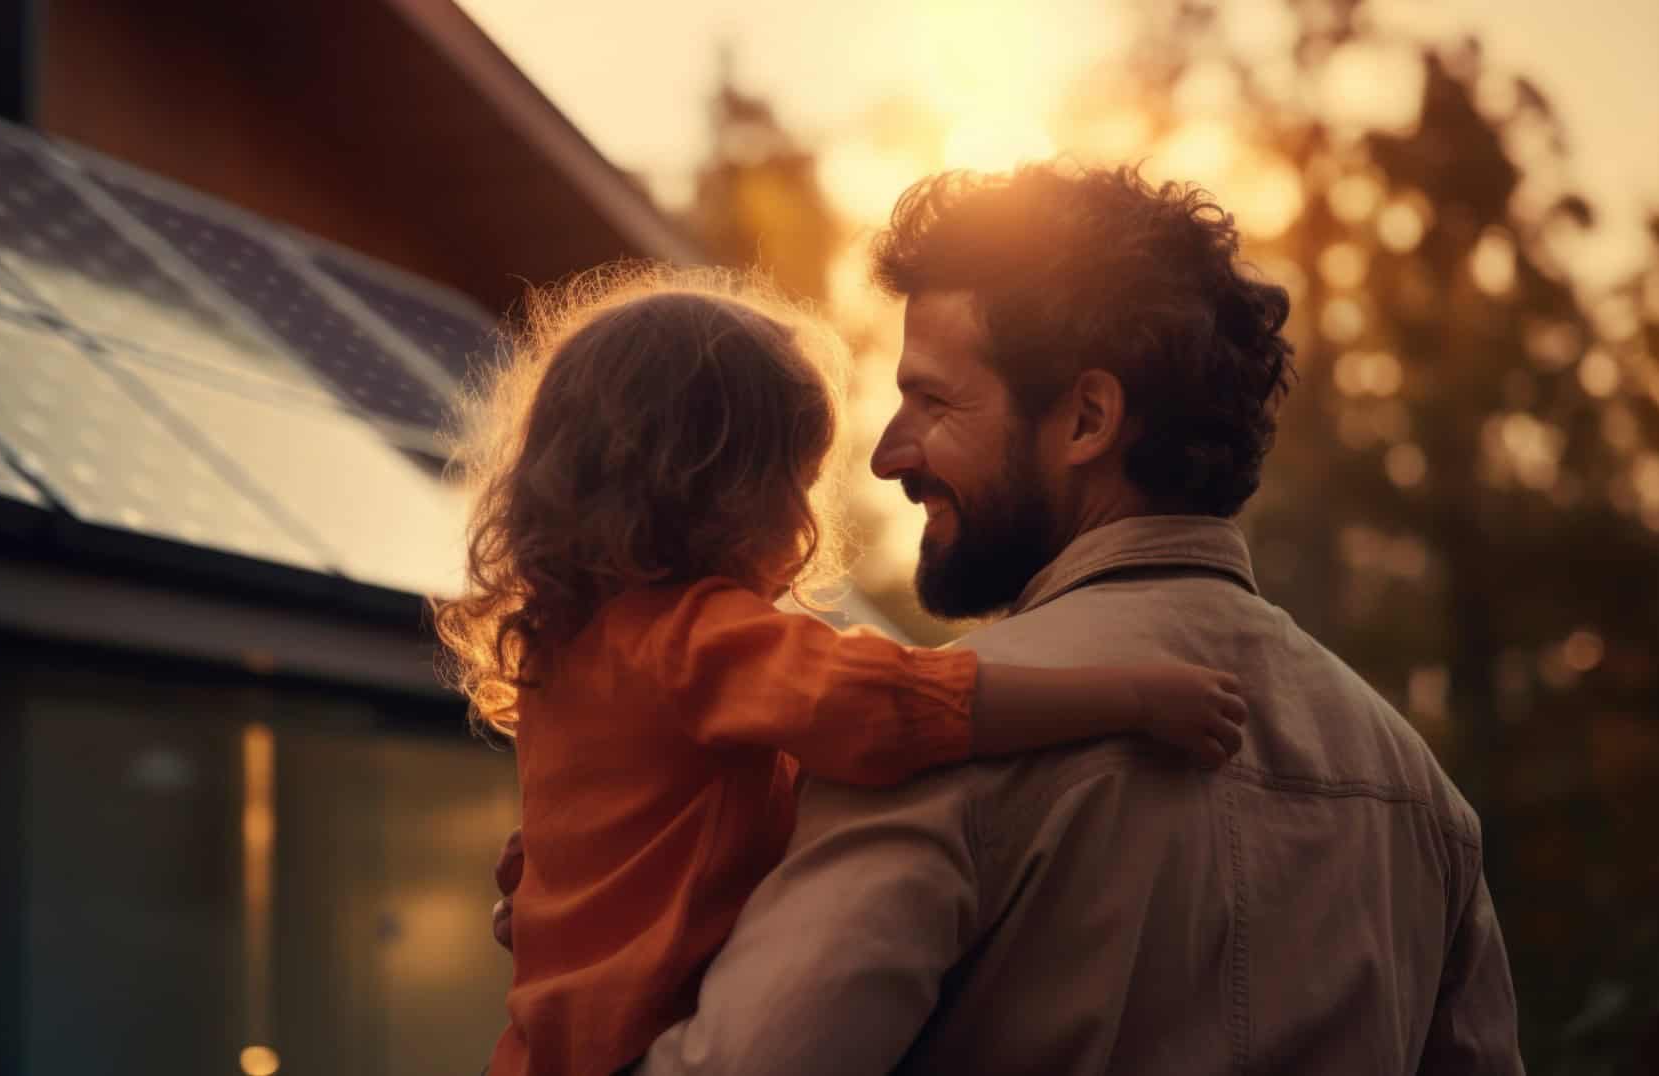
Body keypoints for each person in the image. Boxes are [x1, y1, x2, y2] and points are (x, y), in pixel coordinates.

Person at [500, 164, 1524, 1074]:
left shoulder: (940, 739)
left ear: (1086, 419)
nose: (887, 455)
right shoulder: (1418, 795)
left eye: (933, 401)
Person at [434, 265, 1252, 1076]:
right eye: (794, 481)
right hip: (626, 1045)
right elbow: (884, 703)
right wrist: (1134, 696)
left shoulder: (569, 649)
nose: (805, 518)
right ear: (713, 489)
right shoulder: (698, 639)